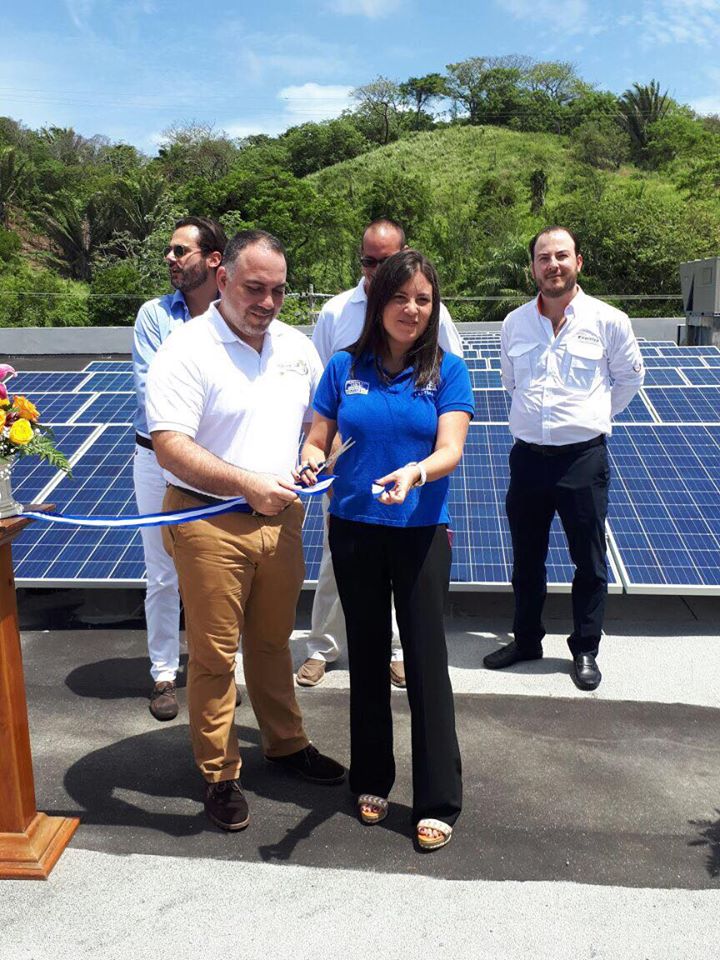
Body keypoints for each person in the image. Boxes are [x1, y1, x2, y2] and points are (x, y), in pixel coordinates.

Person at [146, 229, 344, 831]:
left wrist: (315, 454)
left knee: (271, 643)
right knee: (214, 655)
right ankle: (219, 772)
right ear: (223, 279)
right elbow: (170, 446)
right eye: (255, 288)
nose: (268, 302)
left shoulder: (295, 347)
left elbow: (320, 422)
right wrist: (246, 484)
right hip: (206, 521)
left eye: (279, 290)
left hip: (281, 520)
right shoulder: (186, 349)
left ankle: (285, 743)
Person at [298, 249, 474, 851]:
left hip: (420, 531)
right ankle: (371, 776)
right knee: (368, 655)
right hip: (354, 528)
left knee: (425, 661)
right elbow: (317, 437)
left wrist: (416, 473)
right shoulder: (343, 366)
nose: (412, 309)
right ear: (378, 303)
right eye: (400, 297)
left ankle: (438, 798)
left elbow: (451, 449)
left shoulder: (448, 371)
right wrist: (310, 461)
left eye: (423, 299)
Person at [296, 218, 464, 690]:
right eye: (368, 261)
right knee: (336, 568)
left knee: (411, 604)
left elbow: (445, 388)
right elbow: (322, 403)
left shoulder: (432, 318)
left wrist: (416, 470)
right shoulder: (335, 314)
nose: (375, 269)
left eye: (385, 261)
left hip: (413, 495)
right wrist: (316, 458)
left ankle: (397, 651)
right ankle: (323, 647)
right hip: (347, 480)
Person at [483, 226, 644, 690]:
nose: (552, 265)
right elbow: (511, 383)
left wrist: (590, 417)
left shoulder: (609, 320)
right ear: (533, 267)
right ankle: (526, 640)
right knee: (526, 559)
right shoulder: (514, 323)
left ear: (578, 262)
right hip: (528, 460)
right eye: (543, 258)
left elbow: (628, 381)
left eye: (561, 256)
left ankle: (586, 649)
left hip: (582, 461)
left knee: (588, 561)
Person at [132, 216, 229, 721]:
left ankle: (219, 669)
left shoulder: (232, 313)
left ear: (213, 260)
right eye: (170, 251)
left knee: (218, 571)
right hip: (156, 457)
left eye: (180, 251)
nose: (170, 258)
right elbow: (153, 390)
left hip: (218, 462)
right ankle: (164, 673)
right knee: (162, 572)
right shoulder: (154, 316)